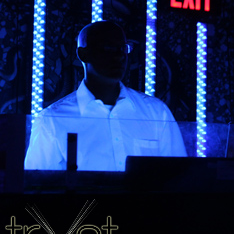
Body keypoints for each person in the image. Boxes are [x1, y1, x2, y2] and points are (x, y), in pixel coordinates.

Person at [24, 20, 186, 171]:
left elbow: (179, 178)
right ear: (83, 54)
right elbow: (37, 186)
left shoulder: (157, 113)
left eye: (123, 48)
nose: (119, 56)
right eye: (108, 48)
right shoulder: (52, 120)